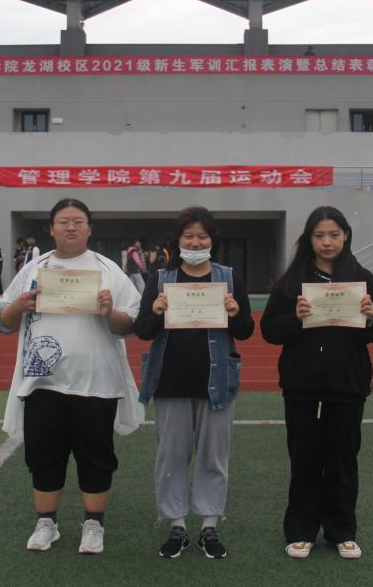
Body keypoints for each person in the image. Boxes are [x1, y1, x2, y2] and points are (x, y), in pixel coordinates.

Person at [0, 198, 143, 556]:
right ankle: (46, 523)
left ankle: (94, 525)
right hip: (43, 381)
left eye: (78, 221)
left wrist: (109, 312)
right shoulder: (34, 268)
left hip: (97, 381)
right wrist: (18, 306)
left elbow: (130, 325)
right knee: (44, 456)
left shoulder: (108, 269)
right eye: (63, 221)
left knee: (96, 456)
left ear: (89, 229)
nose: (71, 227)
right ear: (51, 229)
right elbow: (4, 321)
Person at [260, 206, 373, 561]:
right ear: (309, 239)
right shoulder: (292, 281)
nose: (327, 242)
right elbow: (270, 330)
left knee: (342, 463)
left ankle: (341, 531)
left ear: (345, 235)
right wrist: (296, 318)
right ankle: (300, 531)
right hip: (302, 388)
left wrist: (369, 318)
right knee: (304, 462)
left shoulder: (362, 279)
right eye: (319, 235)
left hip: (347, 386)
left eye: (334, 234)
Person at [134, 207, 254, 560]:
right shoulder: (161, 279)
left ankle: (208, 526)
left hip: (216, 382)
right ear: (178, 240)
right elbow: (143, 330)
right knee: (171, 457)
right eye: (188, 236)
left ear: (212, 240)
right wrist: (156, 311)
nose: (196, 243)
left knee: (213, 458)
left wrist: (234, 313)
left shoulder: (229, 278)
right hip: (170, 381)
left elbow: (246, 330)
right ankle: (177, 526)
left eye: (202, 236)